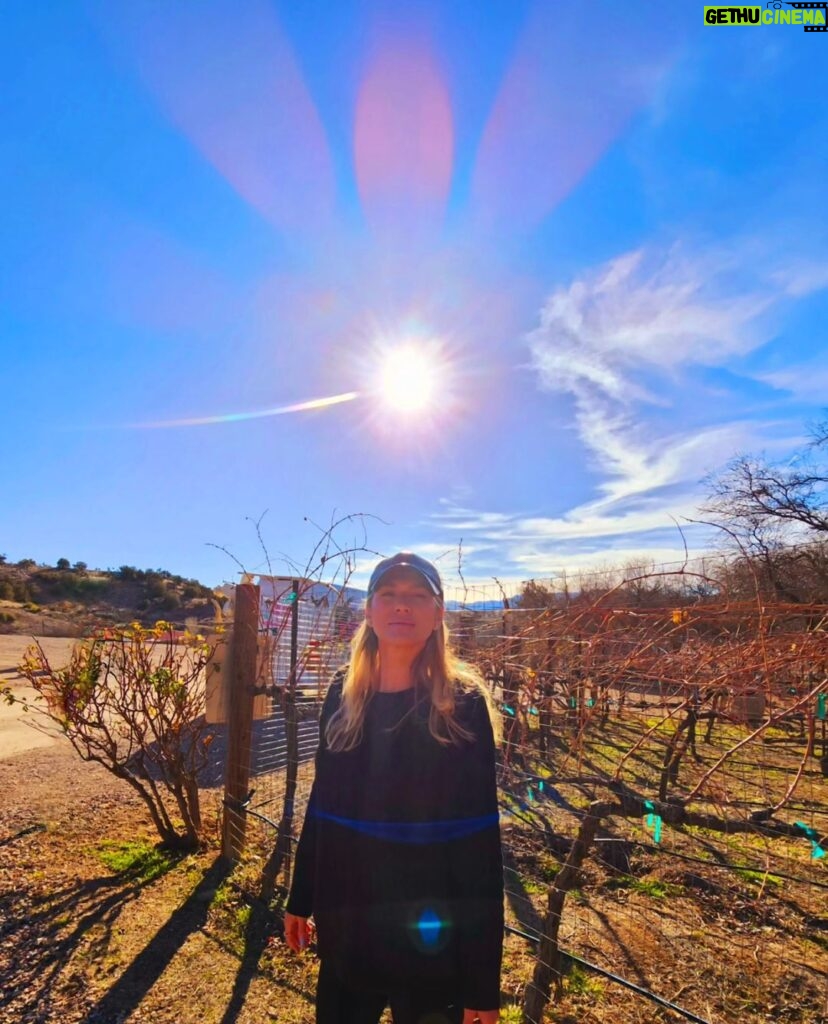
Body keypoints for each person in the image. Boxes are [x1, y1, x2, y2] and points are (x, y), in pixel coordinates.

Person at [284, 552, 503, 1024]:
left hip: (430, 943)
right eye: (389, 595)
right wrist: (300, 898)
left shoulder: (461, 708)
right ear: (369, 610)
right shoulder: (344, 694)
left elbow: (480, 846)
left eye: (417, 596)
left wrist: (481, 984)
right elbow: (323, 805)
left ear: (438, 612)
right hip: (347, 932)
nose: (402, 606)